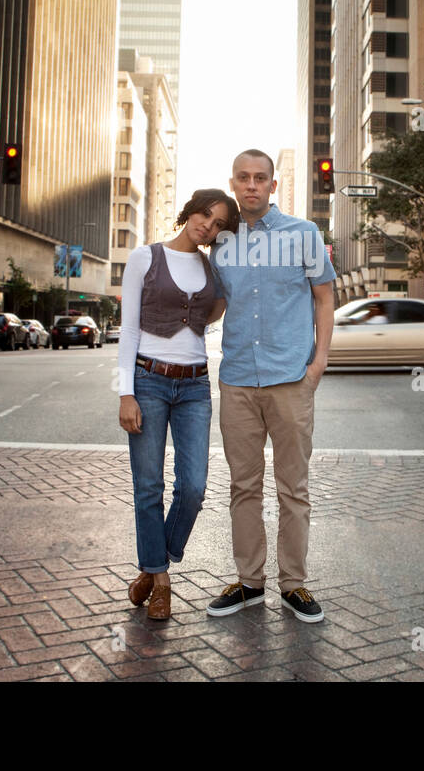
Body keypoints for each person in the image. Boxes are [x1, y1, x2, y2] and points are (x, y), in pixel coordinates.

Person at [206, 150, 336, 623]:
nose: (252, 185)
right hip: (238, 377)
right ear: (233, 182)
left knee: (292, 488)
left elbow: (325, 299)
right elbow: (218, 304)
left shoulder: (303, 234)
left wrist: (318, 363)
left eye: (261, 178)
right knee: (243, 486)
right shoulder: (221, 242)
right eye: (243, 177)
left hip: (290, 379)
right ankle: (249, 583)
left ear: (273, 185)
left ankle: (294, 585)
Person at [118, 189, 238, 620]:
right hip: (148, 380)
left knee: (194, 487)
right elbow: (128, 329)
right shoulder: (144, 258)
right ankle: (162, 582)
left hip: (194, 387)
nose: (208, 224)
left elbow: (215, 311)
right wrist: (125, 392)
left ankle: (154, 563)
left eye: (219, 223)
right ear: (190, 212)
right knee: (148, 486)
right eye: (205, 214)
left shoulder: (212, 267)